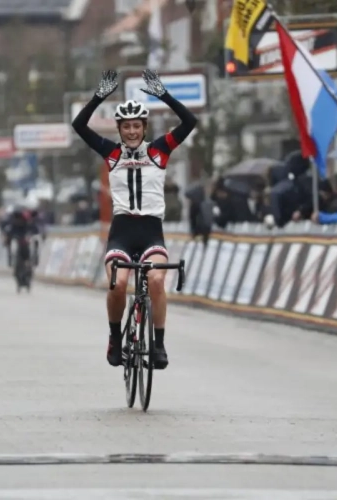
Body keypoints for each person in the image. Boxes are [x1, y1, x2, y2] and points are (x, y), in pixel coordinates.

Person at [71, 69, 197, 369]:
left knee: (155, 280)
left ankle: (159, 344)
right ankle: (115, 337)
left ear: (144, 127)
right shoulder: (111, 153)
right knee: (119, 282)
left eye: (136, 126)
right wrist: (99, 96)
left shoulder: (160, 150)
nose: (131, 132)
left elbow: (189, 122)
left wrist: (163, 95)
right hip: (122, 232)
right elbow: (79, 125)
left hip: (152, 231)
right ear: (119, 128)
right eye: (126, 127)